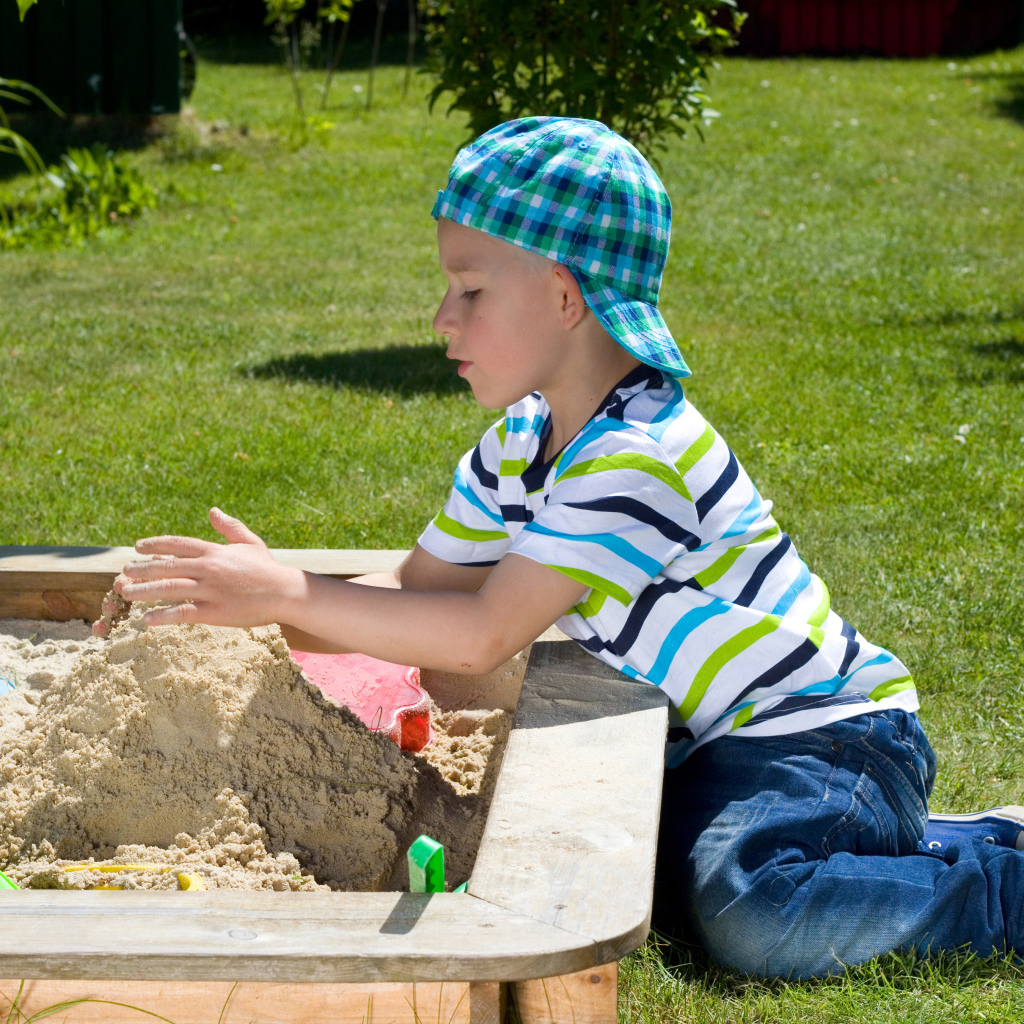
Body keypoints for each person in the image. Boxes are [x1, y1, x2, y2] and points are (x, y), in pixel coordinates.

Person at [97, 117, 1024, 979]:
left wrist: (291, 595)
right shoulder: (519, 442)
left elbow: (479, 635)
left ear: (564, 294)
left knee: (749, 908)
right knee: (645, 883)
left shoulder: (637, 455)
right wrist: (253, 606)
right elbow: (417, 591)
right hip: (711, 750)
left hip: (821, 733)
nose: (440, 318)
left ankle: (1000, 891)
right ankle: (960, 839)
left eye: (468, 287)